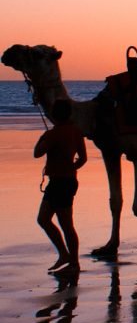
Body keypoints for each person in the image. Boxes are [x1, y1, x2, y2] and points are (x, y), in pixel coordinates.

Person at [33, 98, 87, 272]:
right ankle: (66, 256)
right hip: (68, 181)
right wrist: (71, 168)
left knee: (63, 224)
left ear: (55, 115)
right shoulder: (77, 131)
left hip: (59, 183)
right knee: (45, 219)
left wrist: (42, 137)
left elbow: (37, 153)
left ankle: (73, 262)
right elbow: (83, 158)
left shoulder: (53, 134)